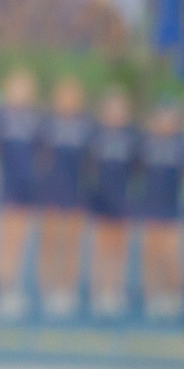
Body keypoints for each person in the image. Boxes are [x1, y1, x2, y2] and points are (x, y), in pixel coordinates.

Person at [35, 76, 92, 319]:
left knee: (71, 243)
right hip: (51, 191)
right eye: (64, 95)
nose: (68, 101)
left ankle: (66, 289)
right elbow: (37, 155)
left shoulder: (87, 125)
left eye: (73, 96)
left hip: (76, 192)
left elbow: (92, 160)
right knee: (49, 241)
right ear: (57, 99)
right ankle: (46, 288)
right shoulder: (46, 123)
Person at [0, 68, 41, 320]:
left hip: (28, 188)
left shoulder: (35, 117)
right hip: (7, 185)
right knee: (5, 239)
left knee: (21, 239)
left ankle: (14, 289)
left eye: (26, 88)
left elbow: (41, 151)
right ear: (9, 90)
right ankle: (2, 288)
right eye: (17, 87)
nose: (21, 93)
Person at [86, 87, 139, 319]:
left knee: (119, 247)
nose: (115, 114)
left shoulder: (133, 136)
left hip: (122, 198)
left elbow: (140, 168)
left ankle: (115, 288)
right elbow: (87, 165)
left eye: (119, 109)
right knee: (101, 246)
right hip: (101, 197)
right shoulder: (95, 134)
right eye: (111, 109)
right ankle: (99, 290)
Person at [137, 102, 184, 320]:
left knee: (170, 254)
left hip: (170, 208)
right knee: (151, 253)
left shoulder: (179, 144)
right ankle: (151, 294)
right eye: (161, 119)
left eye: (170, 120)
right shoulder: (146, 143)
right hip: (150, 207)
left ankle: (172, 295)